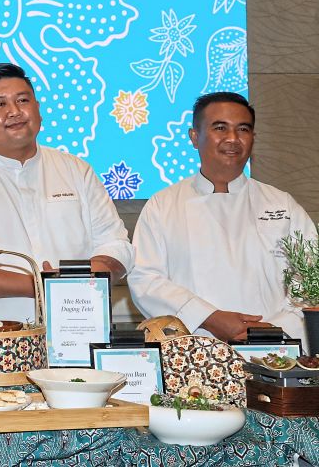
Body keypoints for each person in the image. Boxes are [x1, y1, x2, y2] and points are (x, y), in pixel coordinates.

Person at [0, 63, 132, 326]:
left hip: (79, 330)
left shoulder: (77, 171)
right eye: (0, 104)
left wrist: (83, 279)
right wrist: (40, 285)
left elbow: (117, 247)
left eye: (22, 100)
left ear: (38, 109)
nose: (15, 111)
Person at [129, 92, 317, 343]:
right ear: (194, 137)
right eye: (220, 128)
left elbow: (311, 278)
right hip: (195, 350)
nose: (233, 138)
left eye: (243, 129)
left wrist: (272, 328)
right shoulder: (163, 206)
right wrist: (208, 317)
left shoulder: (282, 204)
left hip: (275, 349)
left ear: (253, 138)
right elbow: (145, 279)